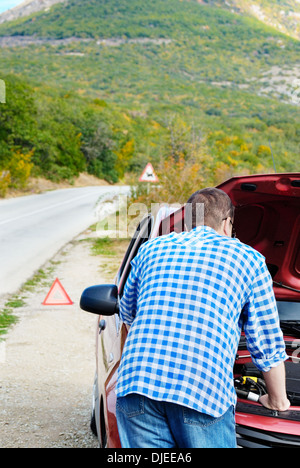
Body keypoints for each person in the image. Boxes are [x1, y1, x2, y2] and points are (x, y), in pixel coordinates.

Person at [116, 188, 290, 448]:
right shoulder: (249, 260)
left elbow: (128, 312)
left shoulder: (151, 249)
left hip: (137, 383)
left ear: (186, 221)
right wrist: (278, 400)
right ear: (227, 223)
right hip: (202, 389)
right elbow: (267, 344)